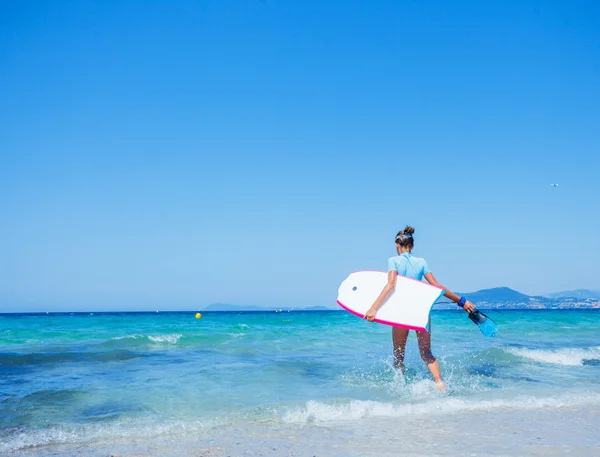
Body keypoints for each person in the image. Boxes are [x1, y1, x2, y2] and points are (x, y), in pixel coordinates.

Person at [364, 225, 476, 390]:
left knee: (399, 355)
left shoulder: (393, 260)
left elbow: (391, 285)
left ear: (397, 244)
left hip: (401, 313)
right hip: (421, 312)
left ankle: (400, 389)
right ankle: (440, 383)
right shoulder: (421, 262)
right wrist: (461, 301)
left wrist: (374, 308)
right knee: (426, 353)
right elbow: (438, 287)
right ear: (413, 245)